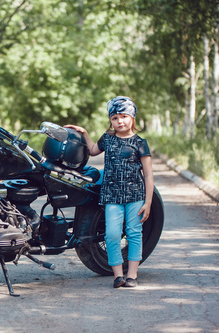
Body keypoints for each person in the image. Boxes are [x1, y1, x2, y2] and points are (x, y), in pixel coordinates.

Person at [65, 96, 154, 288]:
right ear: (110, 121)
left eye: (124, 116)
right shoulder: (107, 139)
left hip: (136, 196)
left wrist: (148, 202)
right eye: (114, 118)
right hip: (112, 196)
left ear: (132, 118)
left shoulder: (140, 143)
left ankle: (132, 275)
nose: (119, 121)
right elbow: (93, 150)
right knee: (112, 234)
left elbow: (148, 175)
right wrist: (84, 133)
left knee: (133, 233)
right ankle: (118, 275)